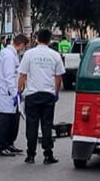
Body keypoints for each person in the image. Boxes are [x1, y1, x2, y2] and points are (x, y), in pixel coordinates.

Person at [17, 29, 65, 164]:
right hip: (48, 95)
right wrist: (55, 92)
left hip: (32, 95)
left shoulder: (29, 54)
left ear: (37, 38)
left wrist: (19, 91)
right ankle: (48, 154)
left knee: (31, 125)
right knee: (47, 125)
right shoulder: (55, 55)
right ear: (50, 40)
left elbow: (22, 75)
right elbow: (58, 76)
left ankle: (30, 155)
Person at [0, 35, 29, 157]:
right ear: (21, 45)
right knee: (6, 121)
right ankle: (1, 146)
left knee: (14, 120)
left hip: (12, 93)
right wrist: (14, 93)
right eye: (24, 47)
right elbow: (9, 77)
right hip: (7, 93)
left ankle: (9, 144)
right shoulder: (8, 55)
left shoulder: (12, 54)